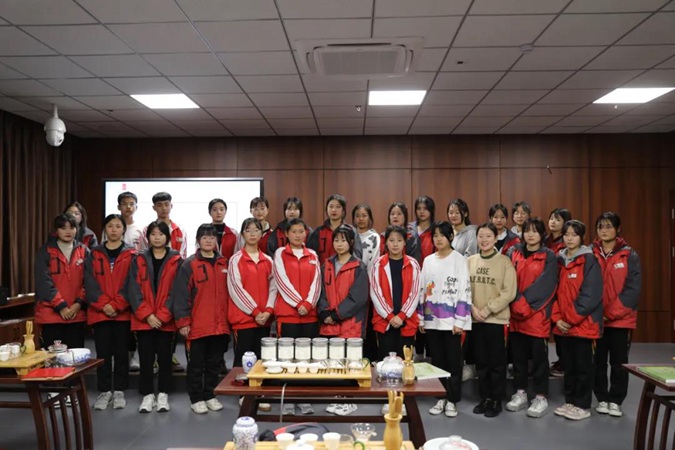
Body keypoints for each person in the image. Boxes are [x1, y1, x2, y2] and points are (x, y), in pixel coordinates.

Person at [172, 224, 230, 415]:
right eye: (204, 237)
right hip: (197, 325)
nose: (208, 241)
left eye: (212, 237)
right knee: (196, 365)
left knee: (214, 364)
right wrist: (183, 322)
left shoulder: (224, 263)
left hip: (220, 325)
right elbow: (181, 295)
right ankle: (196, 398)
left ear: (216, 241)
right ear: (198, 240)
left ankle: (210, 395)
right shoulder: (189, 264)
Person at [127, 221, 182, 414]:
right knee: (146, 358)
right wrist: (147, 315)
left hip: (166, 320)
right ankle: (147, 394)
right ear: (147, 237)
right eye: (153, 234)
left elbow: (177, 290)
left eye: (161, 234)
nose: (157, 238)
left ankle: (163, 394)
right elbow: (133, 289)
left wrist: (163, 315)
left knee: (165, 358)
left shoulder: (177, 260)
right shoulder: (139, 259)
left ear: (167, 237)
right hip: (144, 320)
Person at [418, 221, 472, 419]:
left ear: (450, 237)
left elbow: (465, 290)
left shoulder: (459, 260)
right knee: (437, 361)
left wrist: (460, 321)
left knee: (453, 362)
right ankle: (440, 397)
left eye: (442, 235)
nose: (438, 239)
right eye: (435, 235)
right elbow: (422, 289)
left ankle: (452, 400)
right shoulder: (428, 261)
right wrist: (421, 318)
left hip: (452, 322)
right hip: (432, 320)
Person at [505, 217, 557, 419]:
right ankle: (520, 393)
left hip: (537, 316)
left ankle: (541, 396)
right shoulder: (513, 252)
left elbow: (546, 286)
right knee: (518, 358)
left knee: (539, 360)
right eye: (527, 230)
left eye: (535, 231)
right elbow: (508, 280)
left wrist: (523, 303)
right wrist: (517, 302)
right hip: (515, 316)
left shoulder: (549, 256)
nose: (530, 234)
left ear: (542, 234)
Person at [552, 220, 603, 422]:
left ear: (582, 237)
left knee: (583, 367)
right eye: (566, 234)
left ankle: (582, 405)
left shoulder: (589, 260)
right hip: (563, 326)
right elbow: (553, 292)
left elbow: (590, 295)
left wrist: (569, 319)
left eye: (574, 234)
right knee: (569, 367)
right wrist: (557, 318)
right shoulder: (559, 260)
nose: (569, 238)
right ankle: (570, 402)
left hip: (583, 325)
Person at [84, 214, 137, 411]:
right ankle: (104, 390)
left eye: (118, 226)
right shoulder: (94, 253)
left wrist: (117, 305)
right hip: (100, 313)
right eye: (110, 226)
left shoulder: (132, 254)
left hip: (122, 313)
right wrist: (105, 305)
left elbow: (133, 283)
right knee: (103, 353)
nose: (114, 230)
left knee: (122, 353)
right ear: (105, 229)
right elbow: (89, 283)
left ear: (123, 229)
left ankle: (120, 390)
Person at [592, 212, 641, 418]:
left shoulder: (629, 255)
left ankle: (616, 400)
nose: (604, 230)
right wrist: (597, 313)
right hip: (595, 320)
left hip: (621, 320)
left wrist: (609, 313)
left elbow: (632, 290)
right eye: (600, 227)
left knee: (619, 362)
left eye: (608, 226)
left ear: (618, 229)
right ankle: (601, 398)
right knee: (598, 361)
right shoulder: (590, 253)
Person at [467, 222, 517, 418]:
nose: (484, 240)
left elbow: (508, 292)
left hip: (496, 320)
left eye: (488, 236)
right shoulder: (470, 261)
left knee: (496, 363)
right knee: (481, 363)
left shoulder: (504, 262)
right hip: (475, 319)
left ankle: (496, 399)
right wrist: (472, 309)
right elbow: (464, 289)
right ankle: (485, 398)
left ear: (496, 238)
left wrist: (487, 310)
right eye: (480, 236)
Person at [103, 191, 146, 372]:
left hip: (132, 279)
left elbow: (144, 253)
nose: (128, 207)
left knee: (132, 325)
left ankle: (134, 356)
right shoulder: (108, 229)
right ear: (118, 206)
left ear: (136, 206)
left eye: (131, 204)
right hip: (112, 280)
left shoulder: (141, 229)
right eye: (124, 204)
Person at [145, 191, 187, 372]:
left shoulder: (180, 230)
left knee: (170, 319)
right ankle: (153, 358)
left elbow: (183, 255)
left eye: (166, 204)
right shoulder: (147, 229)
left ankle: (170, 355)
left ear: (171, 206)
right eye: (159, 205)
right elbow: (143, 255)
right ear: (154, 207)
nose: (163, 208)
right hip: (151, 279)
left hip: (173, 277)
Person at [34, 214, 88, 351]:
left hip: (76, 314)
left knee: (76, 358)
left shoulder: (84, 251)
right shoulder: (45, 251)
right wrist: (61, 306)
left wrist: (78, 304)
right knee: (53, 359)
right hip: (51, 315)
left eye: (72, 228)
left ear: (77, 229)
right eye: (63, 228)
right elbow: (43, 282)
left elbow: (90, 281)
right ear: (56, 230)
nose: (68, 232)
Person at [227, 218, 276, 366]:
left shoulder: (268, 260)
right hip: (244, 320)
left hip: (264, 321)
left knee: (262, 363)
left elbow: (274, 288)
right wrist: (255, 312)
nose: (252, 234)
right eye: (248, 231)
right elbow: (236, 289)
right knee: (241, 364)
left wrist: (268, 311)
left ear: (261, 234)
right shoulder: (235, 260)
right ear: (242, 235)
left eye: (256, 230)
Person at [370, 225, 421, 360]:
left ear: (404, 242)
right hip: (384, 322)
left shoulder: (413, 264)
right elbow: (376, 293)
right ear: (386, 242)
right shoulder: (378, 264)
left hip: (407, 321)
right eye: (391, 240)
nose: (395, 244)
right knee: (385, 363)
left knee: (405, 363)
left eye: (399, 240)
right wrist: (390, 316)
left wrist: (402, 316)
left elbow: (415, 293)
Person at [272, 218, 322, 338]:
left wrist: (308, 304)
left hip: (310, 315)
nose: (298, 235)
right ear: (286, 233)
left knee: (309, 350)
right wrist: (299, 304)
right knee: (287, 350)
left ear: (306, 233)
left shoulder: (312, 254)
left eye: (301, 231)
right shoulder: (280, 253)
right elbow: (282, 281)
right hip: (287, 315)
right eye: (293, 232)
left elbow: (317, 282)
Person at [317, 224, 369, 339]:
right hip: (328, 327)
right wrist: (325, 314)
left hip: (351, 329)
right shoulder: (327, 265)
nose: (339, 244)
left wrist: (337, 315)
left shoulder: (358, 267)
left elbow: (358, 298)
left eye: (343, 240)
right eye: (336, 240)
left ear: (351, 242)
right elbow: (320, 292)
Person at [447, 198, 478, 382]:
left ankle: (469, 365)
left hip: (464, 283)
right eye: (450, 212)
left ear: (465, 213)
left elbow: (469, 257)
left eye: (457, 212)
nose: (453, 215)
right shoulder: (449, 232)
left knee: (465, 324)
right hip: (448, 286)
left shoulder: (471, 232)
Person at [545, 207, 572, 378]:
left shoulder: (567, 242)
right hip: (546, 291)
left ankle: (564, 362)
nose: (553, 222)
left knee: (561, 332)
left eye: (558, 219)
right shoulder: (544, 240)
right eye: (551, 218)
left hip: (561, 291)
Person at [352, 203, 380, 362]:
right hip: (349, 286)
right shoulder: (349, 235)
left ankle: (370, 360)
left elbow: (374, 263)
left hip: (367, 285)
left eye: (364, 215)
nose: (361, 219)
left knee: (367, 325)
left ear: (370, 218)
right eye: (357, 216)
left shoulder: (374, 237)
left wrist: (365, 285)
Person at [308, 194, 362, 264]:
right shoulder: (319, 231)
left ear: (343, 210)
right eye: (331, 206)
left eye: (338, 207)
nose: (334, 210)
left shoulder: (351, 230)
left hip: (346, 269)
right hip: (324, 269)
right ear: (326, 209)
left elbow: (357, 254)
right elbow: (311, 254)